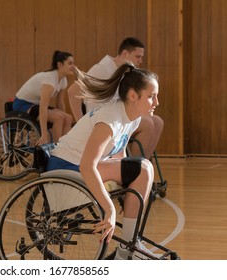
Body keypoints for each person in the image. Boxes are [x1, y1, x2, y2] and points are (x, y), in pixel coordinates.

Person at [46, 63, 160, 260]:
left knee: (141, 168)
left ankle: (131, 244)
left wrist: (126, 187)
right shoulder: (110, 119)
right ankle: (129, 251)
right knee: (144, 167)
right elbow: (86, 165)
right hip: (66, 168)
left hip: (82, 166)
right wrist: (110, 210)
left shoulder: (132, 118)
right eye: (151, 96)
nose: (156, 102)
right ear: (133, 95)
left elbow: (119, 155)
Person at [68, 37, 164, 159]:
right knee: (149, 123)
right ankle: (132, 168)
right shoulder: (102, 69)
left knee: (158, 122)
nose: (140, 61)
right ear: (125, 53)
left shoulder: (129, 73)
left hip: (118, 116)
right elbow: (72, 92)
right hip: (104, 119)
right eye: (137, 56)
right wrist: (80, 121)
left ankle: (142, 164)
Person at [12, 50, 75, 145]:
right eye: (70, 63)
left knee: (68, 117)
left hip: (36, 104)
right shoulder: (49, 80)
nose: (73, 66)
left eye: (73, 63)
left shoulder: (63, 80)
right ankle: (56, 150)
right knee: (58, 118)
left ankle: (64, 146)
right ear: (60, 65)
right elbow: (42, 109)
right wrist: (44, 135)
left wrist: (63, 116)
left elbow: (60, 103)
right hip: (22, 104)